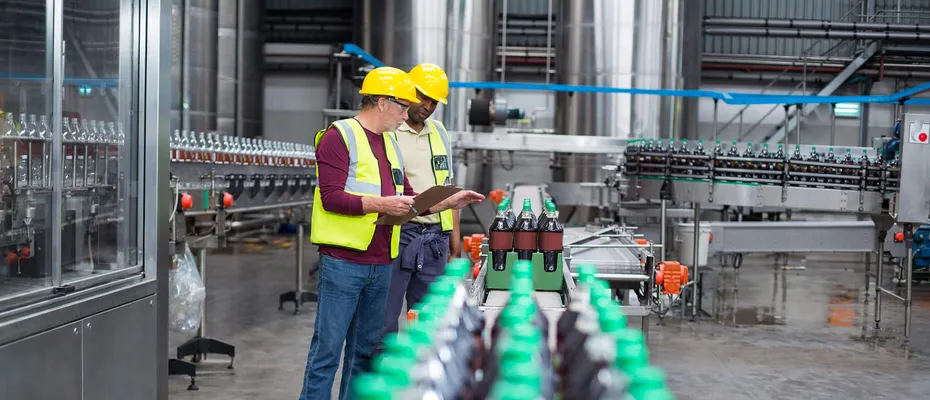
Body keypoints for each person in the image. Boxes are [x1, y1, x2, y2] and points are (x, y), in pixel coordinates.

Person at [299, 66, 484, 400]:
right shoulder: (339, 136)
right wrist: (381, 203)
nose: (406, 114)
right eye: (402, 106)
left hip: (382, 260)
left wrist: (448, 202)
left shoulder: (389, 143)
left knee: (366, 352)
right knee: (327, 352)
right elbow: (331, 197)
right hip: (344, 262)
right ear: (382, 102)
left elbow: (410, 199)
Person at [380, 63, 460, 340]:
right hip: (398, 235)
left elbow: (447, 186)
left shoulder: (439, 132)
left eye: (434, 101)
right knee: (384, 320)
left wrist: (454, 238)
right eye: (423, 97)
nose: (427, 105)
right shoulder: (389, 131)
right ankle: (386, 377)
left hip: (434, 240)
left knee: (429, 322)